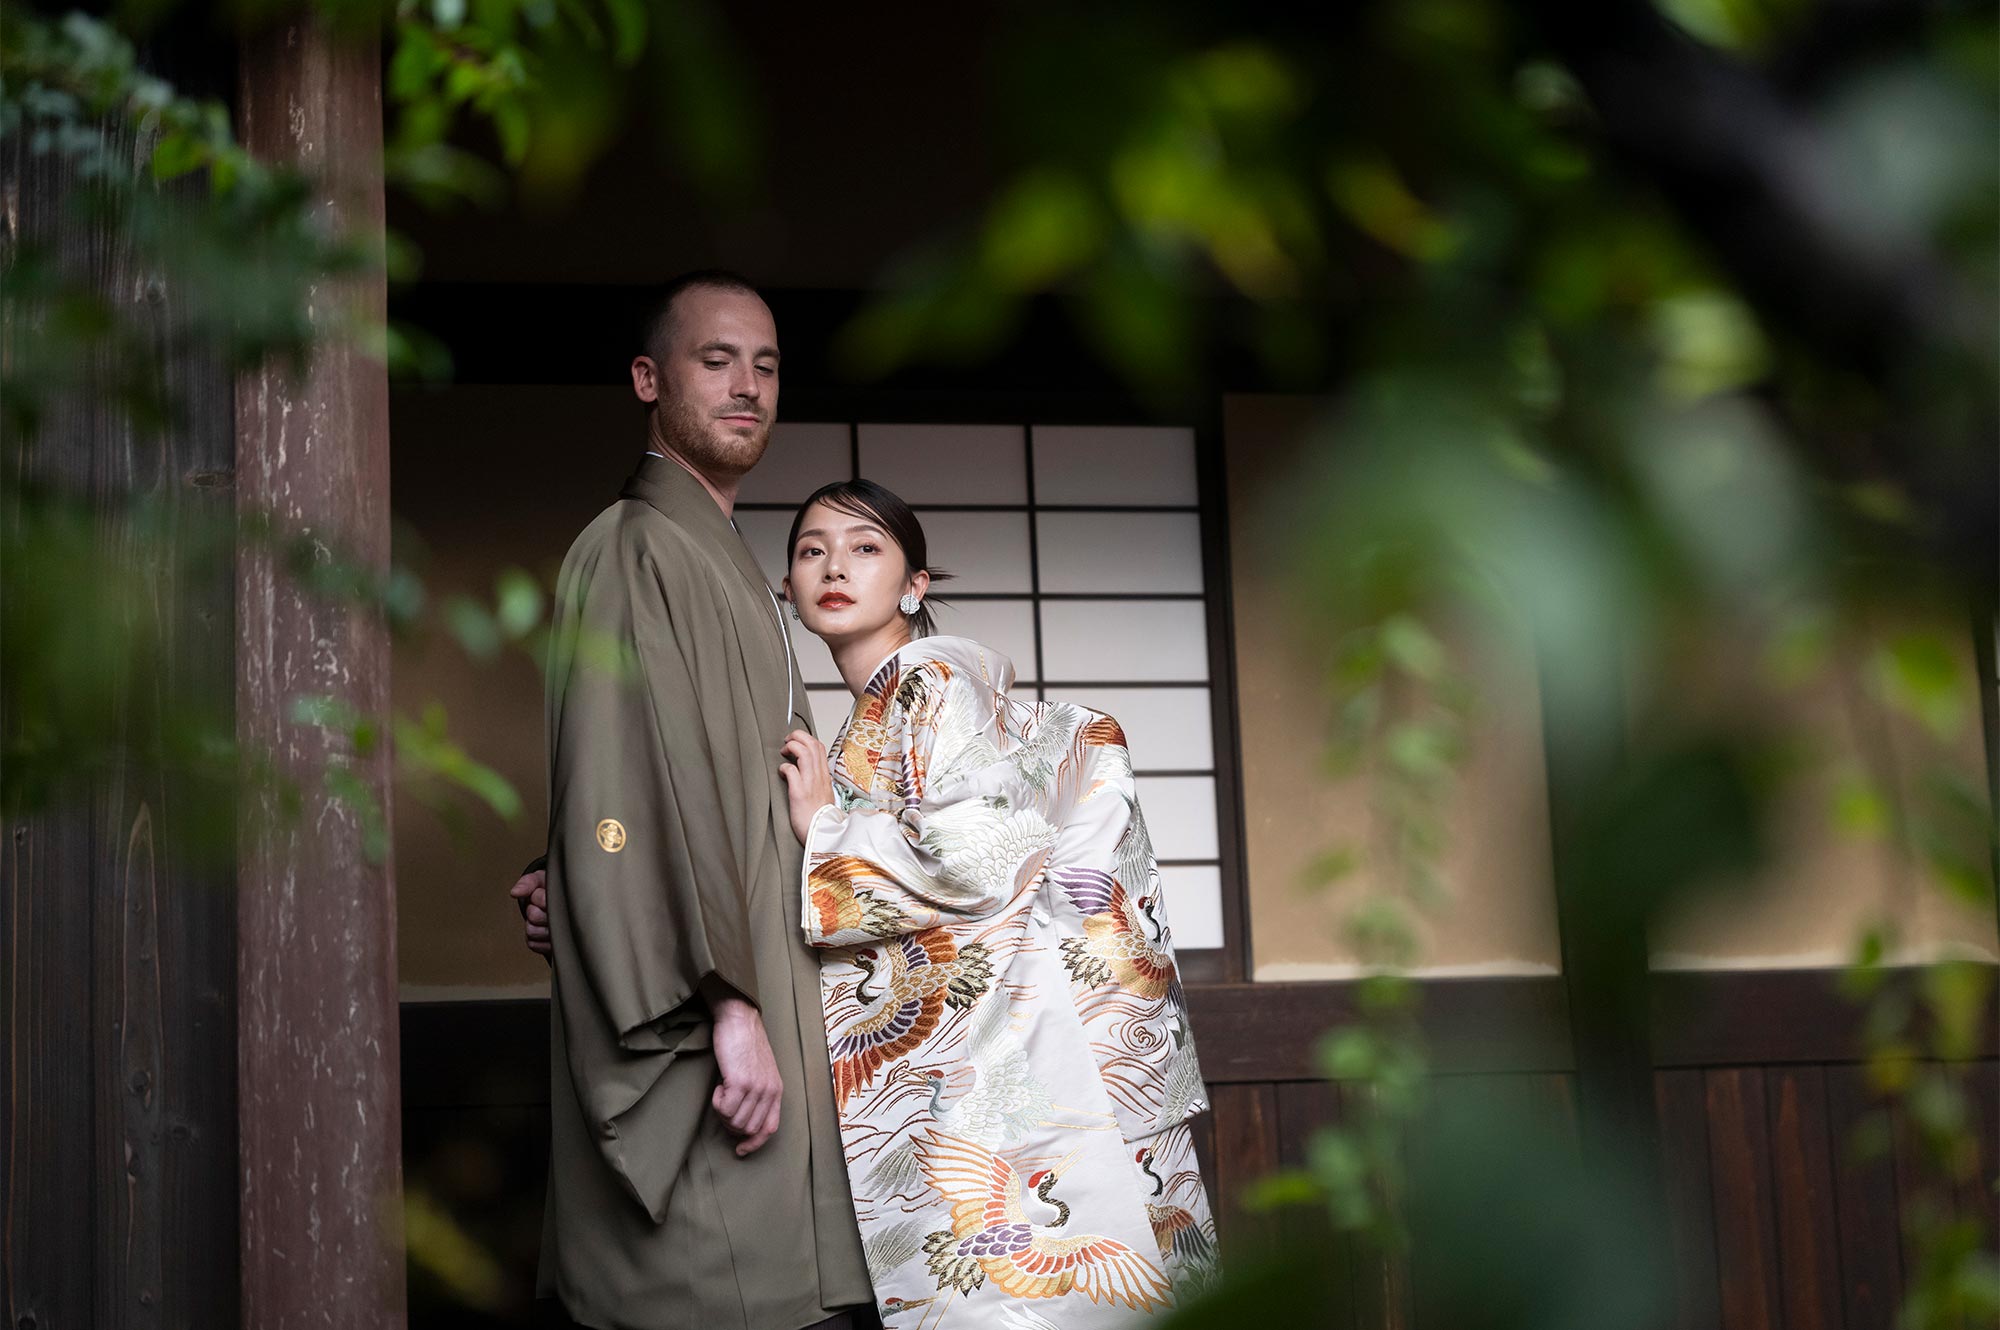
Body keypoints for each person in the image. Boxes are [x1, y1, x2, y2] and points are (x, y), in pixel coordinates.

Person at [774, 479, 1221, 1326]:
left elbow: (981, 854)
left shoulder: (931, 681)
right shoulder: (878, 712)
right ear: (788, 592)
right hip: (1010, 1048)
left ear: (915, 586)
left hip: (1019, 1054)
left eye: (866, 547)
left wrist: (824, 829)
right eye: (811, 550)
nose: (834, 565)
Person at [522, 270, 874, 1330]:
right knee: (710, 1291)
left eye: (765, 365)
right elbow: (634, 778)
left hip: (771, 980)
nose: (746, 386)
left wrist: (571, 872)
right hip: (720, 1004)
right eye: (715, 360)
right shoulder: (636, 546)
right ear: (648, 378)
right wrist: (725, 1005)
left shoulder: (720, 554)